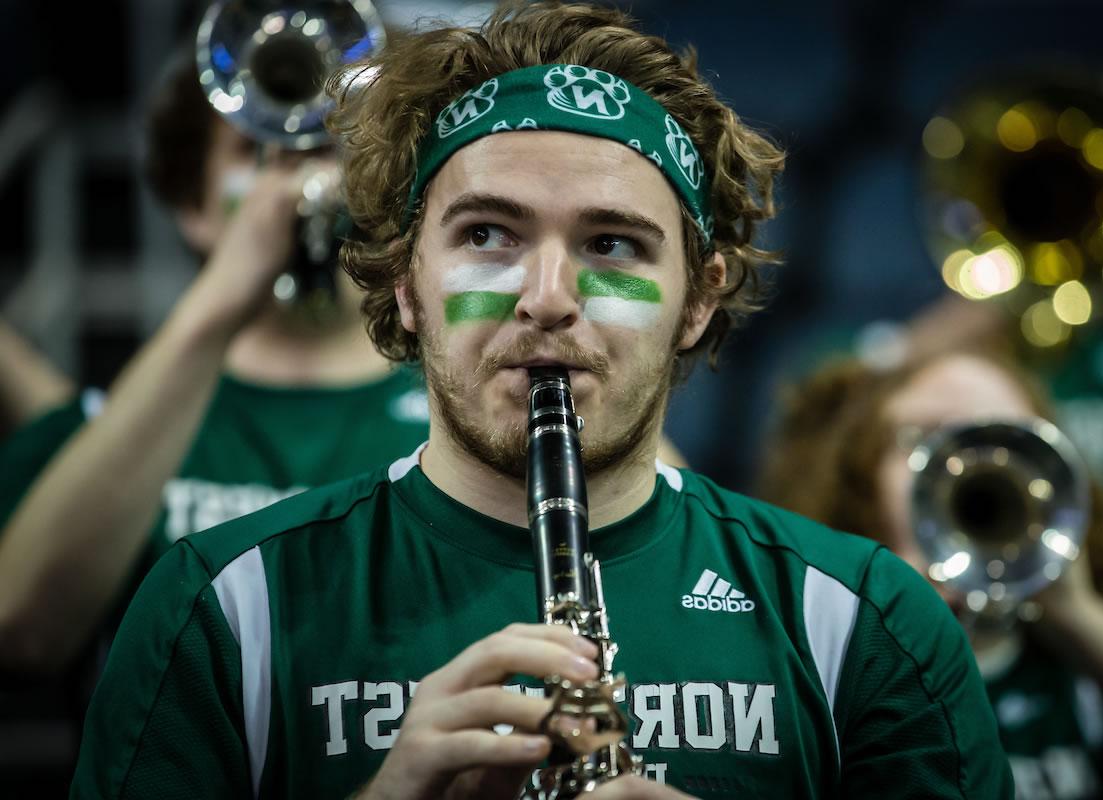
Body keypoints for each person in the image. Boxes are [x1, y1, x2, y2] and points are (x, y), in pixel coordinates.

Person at [70, 3, 1013, 798]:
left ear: (700, 299)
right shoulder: (221, 605)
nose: (549, 297)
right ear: (404, 283)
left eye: (612, 245)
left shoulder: (865, 618)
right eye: (488, 232)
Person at [0, 35, 431, 678]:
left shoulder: (458, 406)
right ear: (192, 204)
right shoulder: (98, 425)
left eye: (328, 145)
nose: (301, 174)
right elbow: (21, 632)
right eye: (256, 149)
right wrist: (225, 294)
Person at [759, 347, 1103, 798]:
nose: (971, 461)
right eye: (927, 436)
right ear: (858, 473)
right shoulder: (821, 650)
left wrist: (1077, 613)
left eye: (1009, 439)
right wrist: (898, 611)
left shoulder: (1084, 668)